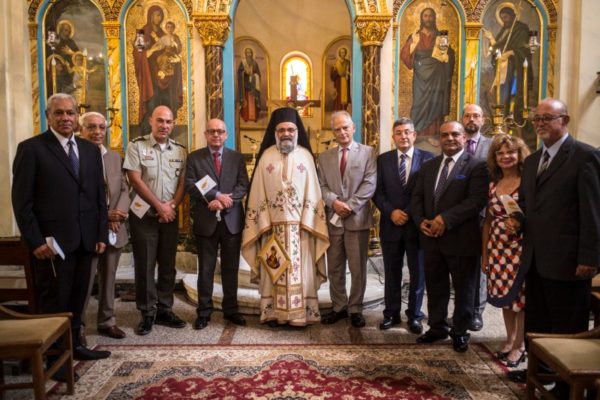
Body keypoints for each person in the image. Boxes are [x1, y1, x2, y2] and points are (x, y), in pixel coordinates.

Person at [11, 93, 111, 381]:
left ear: (77, 115)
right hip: (52, 244)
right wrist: (35, 241)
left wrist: (100, 234)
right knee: (55, 301)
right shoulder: (32, 149)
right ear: (48, 116)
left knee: (78, 298)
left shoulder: (89, 150)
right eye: (59, 113)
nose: (65, 118)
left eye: (70, 113)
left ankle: (75, 345)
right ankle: (56, 358)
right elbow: (22, 202)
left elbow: (98, 197)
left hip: (85, 239)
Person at [506, 98, 600, 388]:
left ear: (565, 120)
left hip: (568, 260)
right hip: (535, 258)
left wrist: (590, 258)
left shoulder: (585, 156)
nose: (540, 124)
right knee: (538, 321)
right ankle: (540, 370)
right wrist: (517, 219)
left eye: (547, 118)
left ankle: (565, 385)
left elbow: (593, 212)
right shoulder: (533, 160)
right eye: (537, 119)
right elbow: (527, 204)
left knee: (566, 324)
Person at [241, 107, 329, 327]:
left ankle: (301, 315)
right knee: (272, 270)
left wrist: (310, 221)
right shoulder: (266, 157)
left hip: (302, 231)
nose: (286, 134)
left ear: (297, 131)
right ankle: (273, 313)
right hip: (271, 229)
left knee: (303, 272)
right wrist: (263, 223)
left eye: (290, 129)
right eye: (281, 130)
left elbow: (314, 193)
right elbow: (257, 193)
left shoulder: (306, 157)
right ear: (275, 132)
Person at [411, 121, 488, 352]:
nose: (450, 139)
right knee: (436, 288)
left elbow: (476, 201)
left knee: (464, 290)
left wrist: (445, 219)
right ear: (439, 139)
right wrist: (420, 221)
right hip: (431, 239)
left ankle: (460, 331)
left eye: (455, 134)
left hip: (461, 240)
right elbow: (417, 198)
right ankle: (437, 327)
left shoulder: (477, 166)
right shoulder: (429, 166)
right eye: (445, 135)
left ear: (464, 137)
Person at [123, 105, 187, 336]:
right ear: (151, 121)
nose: (164, 125)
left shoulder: (180, 150)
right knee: (145, 264)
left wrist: (172, 206)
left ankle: (165, 309)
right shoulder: (136, 146)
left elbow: (182, 182)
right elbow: (135, 179)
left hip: (169, 215)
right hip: (144, 216)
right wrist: (160, 206)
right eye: (160, 120)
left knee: (168, 265)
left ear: (173, 124)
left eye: (168, 122)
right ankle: (147, 312)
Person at [185, 118, 249, 330]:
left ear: (226, 135)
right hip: (206, 219)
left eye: (220, 131)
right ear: (205, 134)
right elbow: (190, 185)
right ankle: (204, 311)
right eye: (212, 131)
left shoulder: (237, 158)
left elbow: (243, 185)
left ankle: (231, 310)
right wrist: (216, 196)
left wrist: (226, 201)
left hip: (231, 220)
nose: (216, 135)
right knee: (206, 269)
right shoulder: (195, 158)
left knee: (231, 268)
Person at [373, 117, 433, 333]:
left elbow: (427, 192)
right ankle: (391, 313)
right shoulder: (383, 160)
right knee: (391, 273)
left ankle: (415, 315)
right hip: (391, 225)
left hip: (416, 226)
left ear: (414, 135)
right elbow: (377, 192)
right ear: (393, 136)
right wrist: (391, 212)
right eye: (398, 132)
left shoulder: (428, 159)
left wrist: (407, 212)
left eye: (407, 132)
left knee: (418, 273)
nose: (403, 136)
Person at [319, 111, 377, 328]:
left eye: (345, 127)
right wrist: (333, 202)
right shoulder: (324, 157)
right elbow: (321, 185)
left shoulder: (368, 153)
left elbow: (370, 183)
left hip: (357, 219)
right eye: (337, 129)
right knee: (334, 267)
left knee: (357, 267)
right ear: (333, 132)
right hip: (333, 220)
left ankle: (355, 308)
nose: (342, 132)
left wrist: (350, 206)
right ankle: (339, 306)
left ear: (353, 128)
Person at [79, 112, 130, 339]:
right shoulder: (75, 156)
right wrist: (105, 215)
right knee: (85, 279)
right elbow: (77, 196)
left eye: (101, 127)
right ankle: (78, 326)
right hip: (88, 228)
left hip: (114, 227)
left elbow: (124, 189)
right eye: (91, 127)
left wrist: (118, 215)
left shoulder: (114, 157)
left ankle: (107, 321)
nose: (97, 132)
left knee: (109, 277)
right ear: (81, 130)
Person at [482, 134, 530, 368]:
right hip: (497, 247)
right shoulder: (493, 184)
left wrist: (521, 222)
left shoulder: (527, 182)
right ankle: (509, 340)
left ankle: (520, 345)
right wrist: (485, 254)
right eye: (500, 153)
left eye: (510, 152)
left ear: (519, 155)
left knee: (520, 298)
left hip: (520, 247)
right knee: (505, 297)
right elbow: (488, 221)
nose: (505, 157)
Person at [400, 7, 455, 142]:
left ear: (434, 18)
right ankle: (418, 134)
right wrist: (412, 48)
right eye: (425, 16)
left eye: (431, 16)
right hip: (420, 75)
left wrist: (447, 55)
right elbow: (404, 55)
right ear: (421, 18)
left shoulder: (440, 36)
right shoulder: (415, 36)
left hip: (437, 75)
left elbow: (449, 54)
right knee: (419, 103)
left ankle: (434, 135)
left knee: (435, 102)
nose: (428, 18)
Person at [461, 103, 493, 332]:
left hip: (483, 214)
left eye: (476, 116)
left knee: (480, 265)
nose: (471, 119)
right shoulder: (455, 143)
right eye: (467, 116)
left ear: (483, 120)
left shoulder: (492, 146)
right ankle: (462, 309)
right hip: (459, 216)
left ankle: (476, 312)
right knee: (462, 266)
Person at [133, 5, 183, 134]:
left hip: (165, 75)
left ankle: (166, 132)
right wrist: (152, 49)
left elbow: (172, 51)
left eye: (160, 15)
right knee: (152, 102)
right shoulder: (141, 33)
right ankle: (148, 132)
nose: (159, 18)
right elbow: (138, 55)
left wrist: (175, 59)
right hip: (149, 75)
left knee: (167, 101)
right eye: (156, 15)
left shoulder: (164, 34)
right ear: (150, 15)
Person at [484, 6, 533, 123]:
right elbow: (499, 49)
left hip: (516, 69)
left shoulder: (521, 29)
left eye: (506, 17)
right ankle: (503, 118)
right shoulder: (505, 30)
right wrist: (491, 38)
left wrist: (510, 53)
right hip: (505, 69)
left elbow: (523, 49)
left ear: (512, 16)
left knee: (513, 94)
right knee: (502, 95)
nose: (504, 20)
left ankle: (514, 120)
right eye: (502, 18)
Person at [237, 47, 262, 122]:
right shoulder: (243, 62)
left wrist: (255, 76)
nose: (249, 54)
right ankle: (246, 117)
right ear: (245, 54)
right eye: (247, 53)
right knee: (246, 101)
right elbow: (239, 72)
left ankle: (254, 117)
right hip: (245, 85)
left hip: (253, 86)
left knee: (254, 101)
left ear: (252, 54)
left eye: (250, 53)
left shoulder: (255, 63)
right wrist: (244, 73)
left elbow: (258, 74)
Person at [330, 47, 351, 111]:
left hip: (345, 81)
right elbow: (332, 76)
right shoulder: (336, 63)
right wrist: (335, 70)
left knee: (346, 96)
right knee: (338, 96)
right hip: (338, 82)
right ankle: (338, 109)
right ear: (339, 54)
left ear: (346, 53)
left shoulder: (348, 62)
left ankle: (345, 109)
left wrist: (348, 74)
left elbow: (350, 72)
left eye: (344, 52)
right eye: (341, 52)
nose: (343, 54)